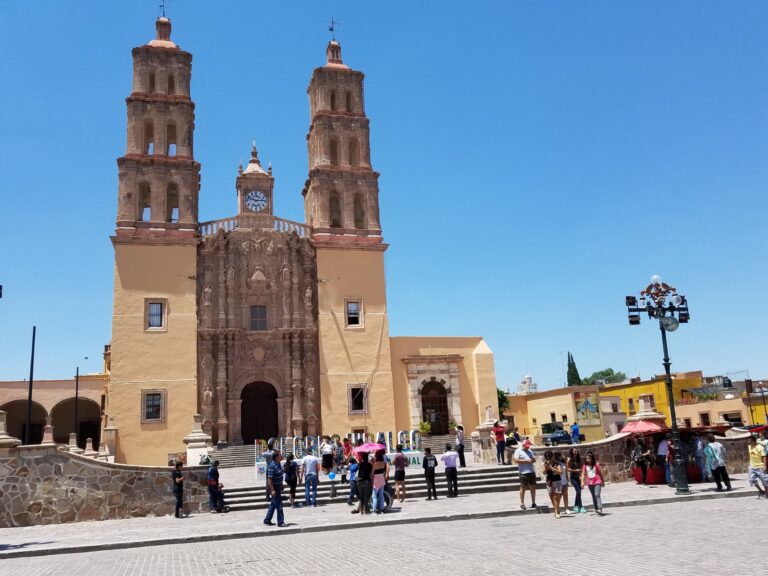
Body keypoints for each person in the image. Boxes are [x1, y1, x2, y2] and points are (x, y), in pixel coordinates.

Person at [264, 449, 285, 527]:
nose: (281, 456)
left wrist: (281, 484)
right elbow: (269, 479)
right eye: (279, 455)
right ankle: (280, 522)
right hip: (274, 488)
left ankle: (267, 520)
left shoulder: (278, 463)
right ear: (276, 457)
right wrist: (272, 490)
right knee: (279, 505)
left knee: (273, 504)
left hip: (278, 486)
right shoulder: (272, 465)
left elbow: (280, 474)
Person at [513, 439, 537, 510]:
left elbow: (533, 459)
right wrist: (526, 461)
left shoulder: (530, 451)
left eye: (528, 446)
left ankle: (533, 502)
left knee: (533, 487)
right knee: (523, 488)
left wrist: (533, 460)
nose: (528, 447)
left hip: (531, 471)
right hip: (523, 472)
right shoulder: (518, 451)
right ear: (523, 445)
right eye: (526, 446)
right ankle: (522, 503)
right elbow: (515, 460)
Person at [581, 451, 605, 515]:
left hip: (597, 481)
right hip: (590, 483)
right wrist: (582, 482)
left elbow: (600, 473)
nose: (587, 460)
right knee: (593, 496)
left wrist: (603, 481)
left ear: (591, 458)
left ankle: (600, 508)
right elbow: (583, 474)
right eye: (586, 458)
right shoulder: (585, 466)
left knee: (597, 494)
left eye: (588, 458)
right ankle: (596, 509)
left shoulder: (596, 464)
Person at [543, 450, 563, 518]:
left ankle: (557, 512)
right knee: (551, 497)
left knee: (556, 497)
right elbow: (544, 473)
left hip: (557, 481)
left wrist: (551, 468)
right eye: (547, 458)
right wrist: (546, 468)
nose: (548, 459)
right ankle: (556, 509)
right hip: (549, 481)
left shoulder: (556, 463)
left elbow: (560, 472)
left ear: (552, 457)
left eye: (549, 457)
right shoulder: (546, 463)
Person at [567, 447, 586, 513]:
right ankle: (580, 507)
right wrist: (575, 470)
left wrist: (581, 477)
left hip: (579, 477)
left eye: (576, 450)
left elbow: (581, 469)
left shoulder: (579, 459)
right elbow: (568, 469)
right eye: (575, 450)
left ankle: (575, 506)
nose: (576, 451)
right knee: (578, 492)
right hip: (573, 477)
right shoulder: (570, 459)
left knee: (578, 492)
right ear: (572, 452)